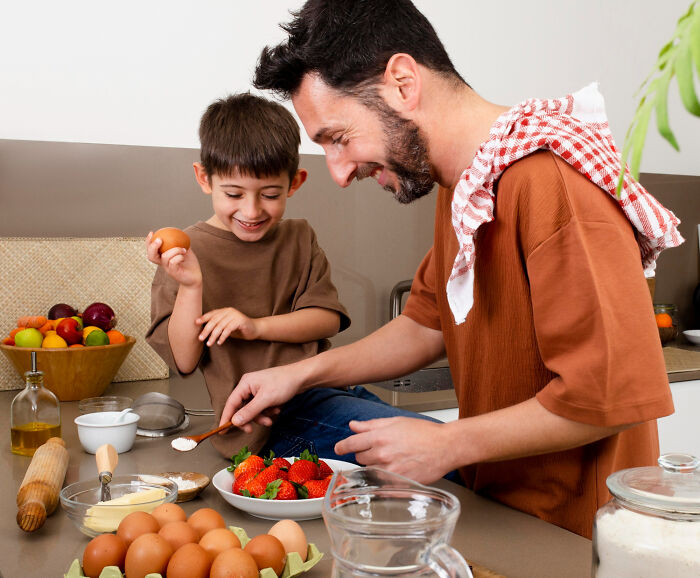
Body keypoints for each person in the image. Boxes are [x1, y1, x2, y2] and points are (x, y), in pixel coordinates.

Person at [220, 1, 684, 537]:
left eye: (338, 138)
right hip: (500, 510)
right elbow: (426, 323)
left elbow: (614, 399)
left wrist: (446, 443)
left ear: (402, 83)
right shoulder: (464, 187)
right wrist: (299, 373)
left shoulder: (551, 185)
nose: (340, 173)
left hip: (572, 536)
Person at [145, 92, 442, 460]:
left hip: (326, 390)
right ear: (204, 178)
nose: (251, 211)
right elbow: (185, 360)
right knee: (426, 445)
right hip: (268, 424)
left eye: (270, 194)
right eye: (234, 193)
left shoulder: (298, 237)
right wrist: (191, 284)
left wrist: (254, 326)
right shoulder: (185, 254)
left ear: (295, 183)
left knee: (430, 438)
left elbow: (326, 320)